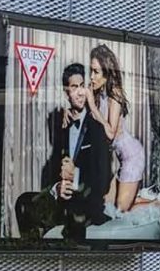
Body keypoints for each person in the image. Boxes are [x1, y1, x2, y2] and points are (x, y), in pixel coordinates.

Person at [15, 63, 112, 240]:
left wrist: (75, 176)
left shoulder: (97, 129)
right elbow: (54, 174)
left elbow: (103, 180)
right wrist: (57, 188)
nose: (81, 92)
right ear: (66, 92)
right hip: (63, 203)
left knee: (74, 211)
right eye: (74, 87)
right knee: (24, 201)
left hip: (86, 205)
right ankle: (32, 257)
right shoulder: (63, 128)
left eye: (83, 86)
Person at [86, 44, 145, 212]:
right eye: (91, 70)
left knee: (120, 210)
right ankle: (137, 198)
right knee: (107, 206)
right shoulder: (100, 93)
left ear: (107, 72)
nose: (91, 77)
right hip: (119, 158)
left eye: (96, 72)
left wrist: (91, 105)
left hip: (132, 156)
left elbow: (110, 133)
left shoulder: (115, 93)